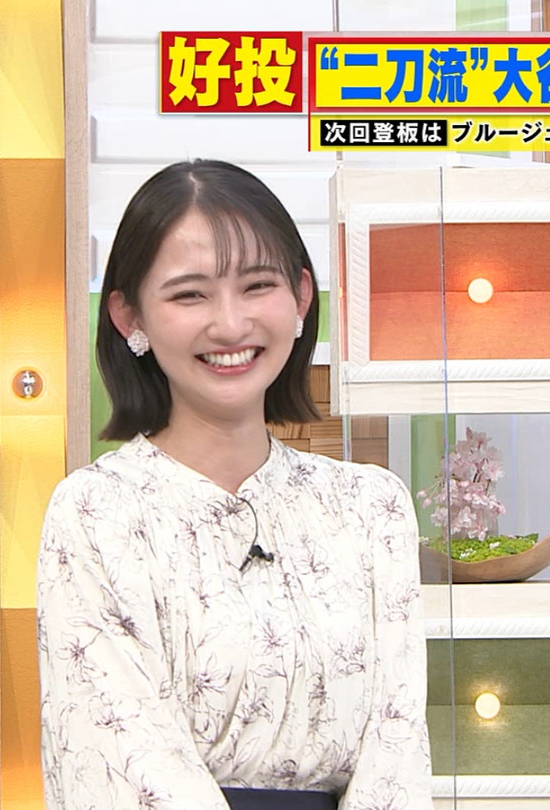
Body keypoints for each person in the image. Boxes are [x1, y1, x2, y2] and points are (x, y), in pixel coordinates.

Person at [36, 159, 432, 810]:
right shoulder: (96, 512)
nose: (229, 324)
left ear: (301, 298)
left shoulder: (371, 506)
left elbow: (399, 748)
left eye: (257, 286)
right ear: (130, 317)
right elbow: (117, 758)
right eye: (190, 295)